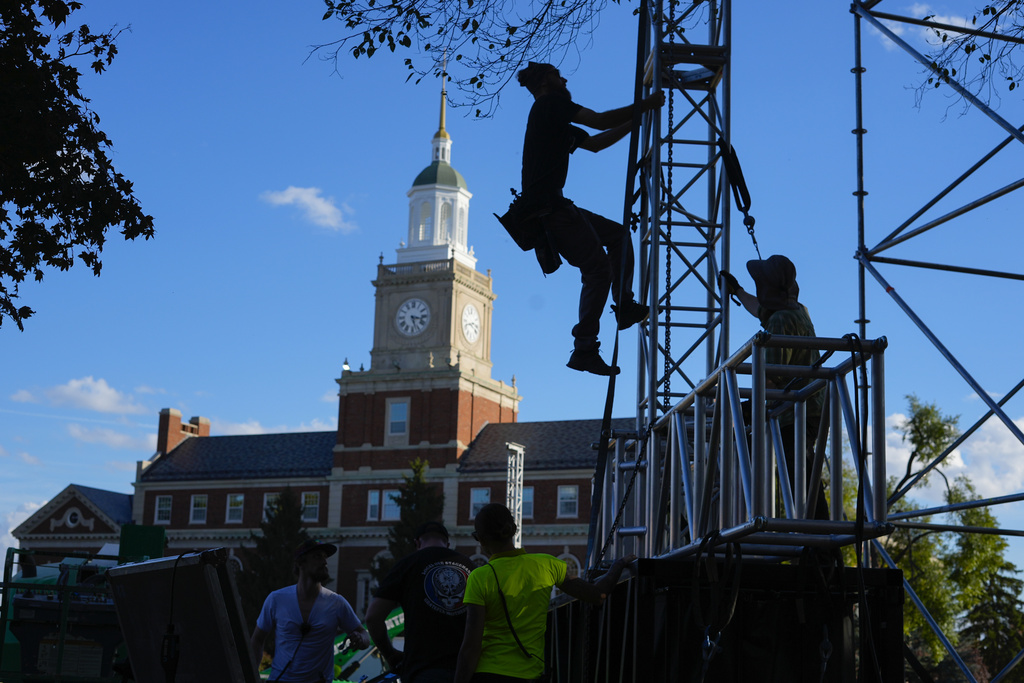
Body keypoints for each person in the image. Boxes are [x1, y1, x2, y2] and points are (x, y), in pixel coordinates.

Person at [516, 61, 666, 377]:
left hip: (552, 206)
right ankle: (585, 348)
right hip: (549, 208)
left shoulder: (551, 116)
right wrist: (646, 105)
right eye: (558, 74)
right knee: (598, 268)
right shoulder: (551, 103)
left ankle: (624, 306)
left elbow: (596, 144)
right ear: (545, 82)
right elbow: (599, 121)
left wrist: (637, 119)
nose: (565, 78)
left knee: (619, 236)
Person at [454, 503, 635, 683]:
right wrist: (618, 565)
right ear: (514, 529)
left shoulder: (479, 577)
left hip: (488, 674)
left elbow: (471, 646)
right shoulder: (548, 565)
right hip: (530, 675)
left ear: (481, 539)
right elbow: (599, 595)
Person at [721, 255, 828, 519]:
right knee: (802, 475)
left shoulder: (780, 321)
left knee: (799, 479)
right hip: (805, 410)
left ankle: (817, 541)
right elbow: (760, 308)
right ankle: (819, 541)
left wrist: (745, 409)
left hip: (794, 414)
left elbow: (769, 381)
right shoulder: (797, 310)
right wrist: (738, 291)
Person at [365, 521, 474, 683]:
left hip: (422, 669)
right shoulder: (472, 568)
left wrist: (391, 654)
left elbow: (373, 617)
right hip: (467, 670)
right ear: (448, 544)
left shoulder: (407, 565)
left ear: (417, 543)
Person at [250, 539, 370, 682]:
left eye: (325, 557)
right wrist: (251, 676)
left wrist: (360, 639)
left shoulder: (336, 603)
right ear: (300, 563)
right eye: (318, 557)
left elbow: (365, 635)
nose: (325, 562)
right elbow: (257, 639)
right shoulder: (276, 599)